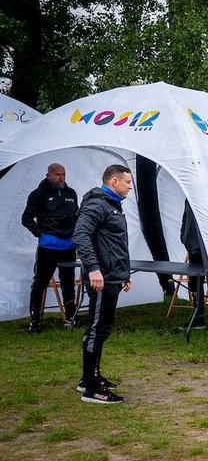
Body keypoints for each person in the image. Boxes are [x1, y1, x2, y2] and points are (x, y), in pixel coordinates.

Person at [73, 164, 134, 404]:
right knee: (98, 329)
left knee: (101, 328)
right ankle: (92, 388)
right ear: (114, 182)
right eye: (127, 182)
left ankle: (89, 378)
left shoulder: (112, 205)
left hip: (112, 276)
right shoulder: (97, 204)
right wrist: (94, 269)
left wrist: (124, 274)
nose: (130, 187)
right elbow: (80, 235)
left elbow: (114, 244)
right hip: (102, 278)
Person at [21, 163, 79, 333]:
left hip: (68, 246)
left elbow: (76, 214)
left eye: (64, 174)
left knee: (68, 284)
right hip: (48, 247)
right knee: (40, 283)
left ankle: (70, 318)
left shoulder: (71, 193)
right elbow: (26, 218)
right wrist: (40, 233)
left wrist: (75, 233)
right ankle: (35, 322)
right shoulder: (38, 194)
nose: (61, 178)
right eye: (57, 175)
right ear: (48, 175)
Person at [180, 200, 206, 328]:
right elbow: (186, 216)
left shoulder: (207, 192)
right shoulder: (189, 196)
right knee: (194, 282)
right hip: (193, 245)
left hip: (205, 247)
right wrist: (184, 235)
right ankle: (198, 316)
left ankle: (203, 317)